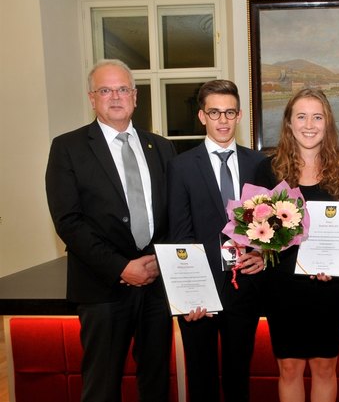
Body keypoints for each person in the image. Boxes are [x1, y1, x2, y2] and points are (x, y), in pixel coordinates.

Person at [45, 59, 177, 401]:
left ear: (135, 96)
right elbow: (68, 222)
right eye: (105, 90)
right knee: (102, 386)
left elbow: (172, 213)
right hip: (102, 288)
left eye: (122, 89)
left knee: (157, 381)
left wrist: (157, 261)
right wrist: (121, 267)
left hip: (156, 288)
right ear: (92, 98)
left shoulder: (161, 148)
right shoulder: (68, 148)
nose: (115, 97)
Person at [253, 88, 339, 402]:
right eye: (301, 116)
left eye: (317, 116)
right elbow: (257, 230)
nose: (309, 124)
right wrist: (259, 250)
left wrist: (335, 265)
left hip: (328, 287)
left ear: (327, 124)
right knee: (290, 369)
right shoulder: (267, 171)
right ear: (289, 123)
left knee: (326, 368)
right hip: (283, 287)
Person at [167, 79, 266, 402]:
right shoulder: (180, 167)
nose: (222, 120)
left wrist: (262, 253)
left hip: (244, 289)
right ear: (201, 117)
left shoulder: (260, 165)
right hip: (200, 293)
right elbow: (179, 233)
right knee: (201, 378)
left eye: (229, 112)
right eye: (214, 113)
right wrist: (189, 292)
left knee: (239, 377)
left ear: (239, 116)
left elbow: (271, 225)